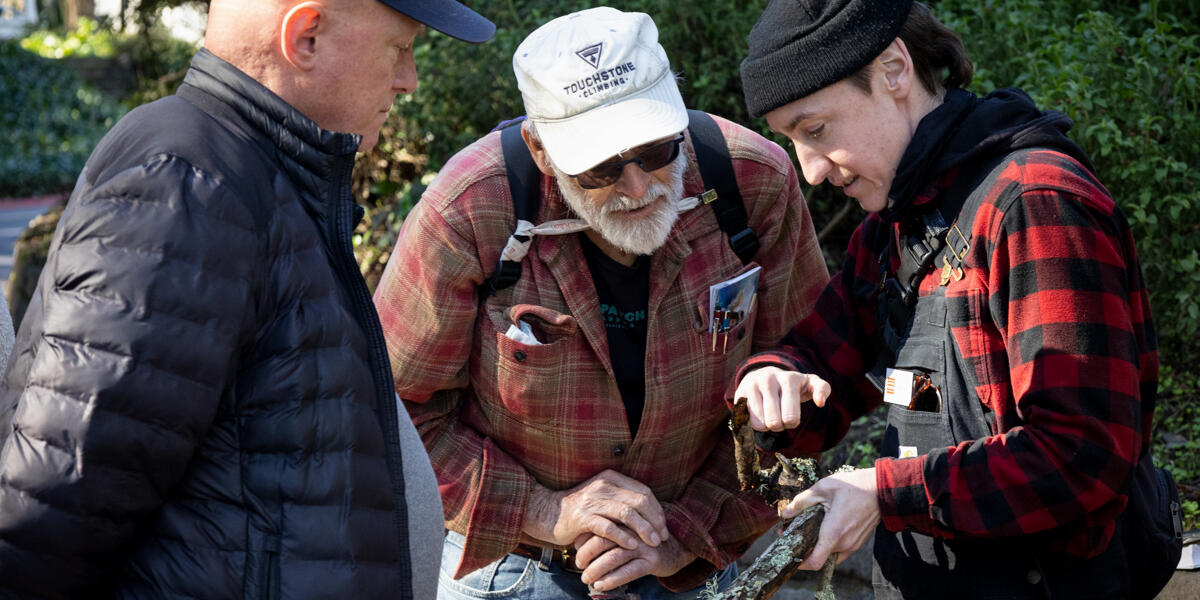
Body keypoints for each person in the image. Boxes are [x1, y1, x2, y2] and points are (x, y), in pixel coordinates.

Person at [0, 1, 493, 598]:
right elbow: (56, 504)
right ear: (305, 37)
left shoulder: (248, 173)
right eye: (400, 49)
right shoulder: (189, 182)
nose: (408, 79)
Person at [373, 6, 829, 598]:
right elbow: (391, 415)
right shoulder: (471, 211)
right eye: (602, 168)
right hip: (515, 565)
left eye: (657, 150)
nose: (639, 188)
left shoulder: (749, 183)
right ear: (542, 151)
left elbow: (808, 374)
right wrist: (544, 510)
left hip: (692, 564)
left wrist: (686, 533)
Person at [732, 1, 1165, 599]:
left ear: (893, 68)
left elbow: (1081, 457)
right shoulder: (894, 228)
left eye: (816, 130)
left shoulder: (1032, 207)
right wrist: (773, 380)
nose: (809, 171)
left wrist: (885, 493)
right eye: (789, 139)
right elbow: (825, 360)